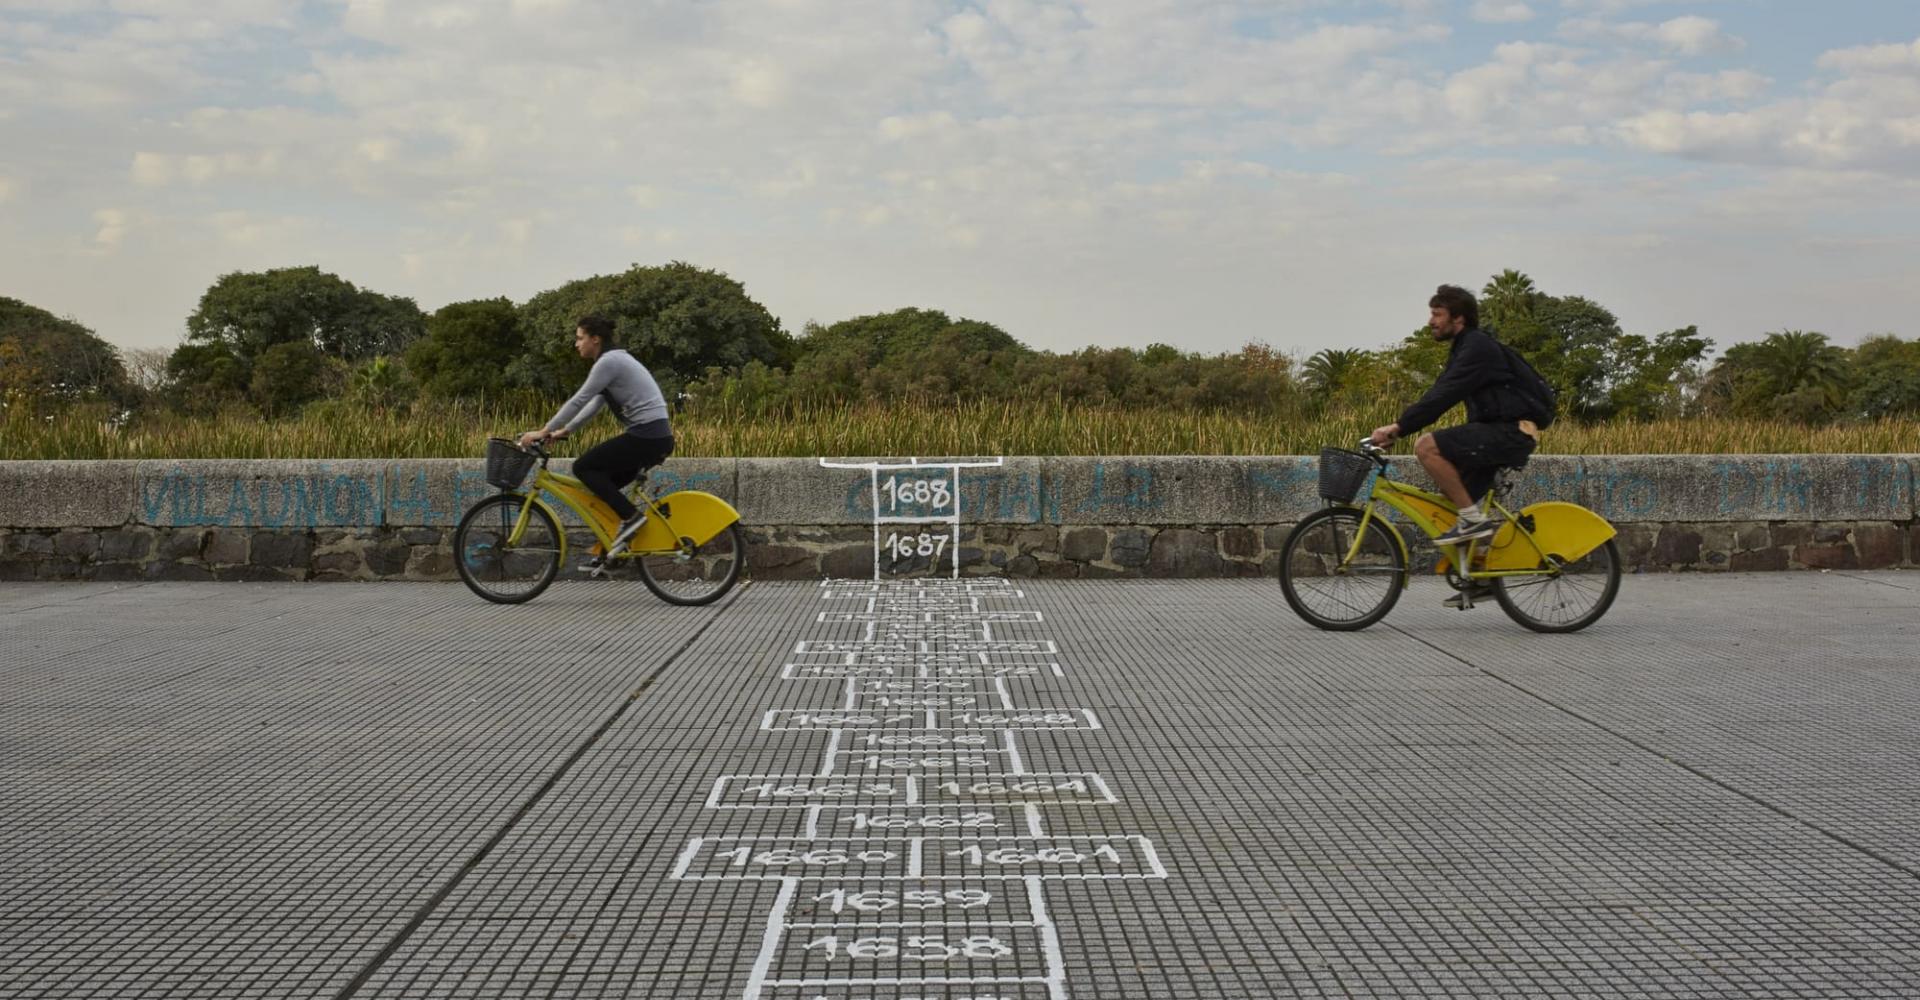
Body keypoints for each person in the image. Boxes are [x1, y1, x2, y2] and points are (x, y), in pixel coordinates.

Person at [1369, 285, 1547, 554]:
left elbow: (1443, 395)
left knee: (1426, 447)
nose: (1431, 322)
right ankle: (1476, 579)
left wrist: (1399, 427)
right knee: (1449, 506)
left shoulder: (1477, 347)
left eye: (1437, 314)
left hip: (1511, 432)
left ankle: (1473, 521)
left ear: (1458, 318)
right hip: (1500, 431)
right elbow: (1440, 390)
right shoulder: (1465, 347)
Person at [519, 316, 674, 556]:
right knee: (604, 486)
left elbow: (579, 399)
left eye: (580, 338)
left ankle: (632, 518)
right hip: (654, 436)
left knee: (583, 467)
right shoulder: (616, 360)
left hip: (647, 436)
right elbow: (594, 404)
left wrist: (543, 430)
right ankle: (613, 549)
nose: (576, 344)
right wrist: (565, 431)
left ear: (595, 339)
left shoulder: (608, 362)